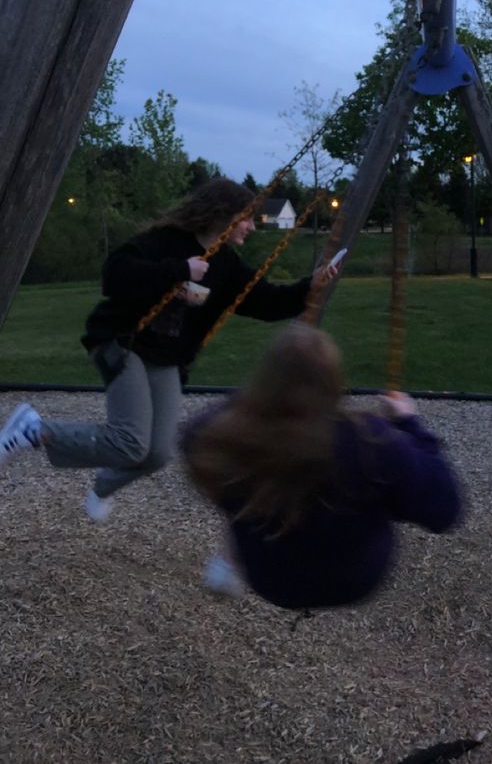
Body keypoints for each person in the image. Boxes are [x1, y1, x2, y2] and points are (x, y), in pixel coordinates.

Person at [0, 177, 338, 523]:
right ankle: (34, 429)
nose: (252, 226)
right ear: (222, 215)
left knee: (157, 453)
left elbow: (265, 303)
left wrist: (308, 288)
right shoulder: (166, 242)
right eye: (247, 217)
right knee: (130, 442)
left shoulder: (226, 265)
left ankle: (104, 484)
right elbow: (114, 274)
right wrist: (181, 270)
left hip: (166, 359)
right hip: (124, 341)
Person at [180, 323, 463, 610]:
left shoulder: (217, 435)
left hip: (271, 577)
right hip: (351, 580)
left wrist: (256, 404)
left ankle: (231, 555)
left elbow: (207, 433)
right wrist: (408, 423)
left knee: (247, 484)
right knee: (380, 484)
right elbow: (444, 510)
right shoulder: (369, 443)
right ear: (334, 382)